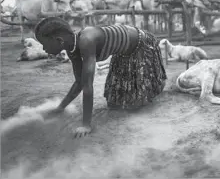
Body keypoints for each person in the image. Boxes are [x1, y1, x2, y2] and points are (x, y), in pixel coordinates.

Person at [34, 16, 167, 138]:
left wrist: (86, 125)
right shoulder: (72, 49)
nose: (44, 49)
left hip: (140, 44)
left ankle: (159, 85)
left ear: (59, 41)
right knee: (116, 103)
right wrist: (60, 107)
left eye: (44, 44)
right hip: (122, 51)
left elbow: (87, 85)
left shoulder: (86, 40)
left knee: (138, 101)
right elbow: (79, 82)